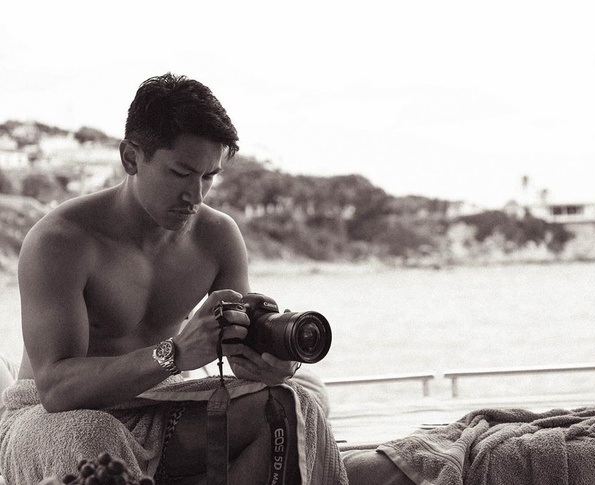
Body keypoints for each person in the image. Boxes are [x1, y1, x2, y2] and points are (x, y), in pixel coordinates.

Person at [0, 73, 346, 485]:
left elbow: (240, 354)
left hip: (159, 403)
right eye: (181, 173)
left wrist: (271, 360)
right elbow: (55, 389)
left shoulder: (217, 236)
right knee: (93, 432)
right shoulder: (61, 240)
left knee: (292, 404)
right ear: (131, 158)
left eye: (209, 176)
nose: (196, 196)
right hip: (47, 416)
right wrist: (175, 353)